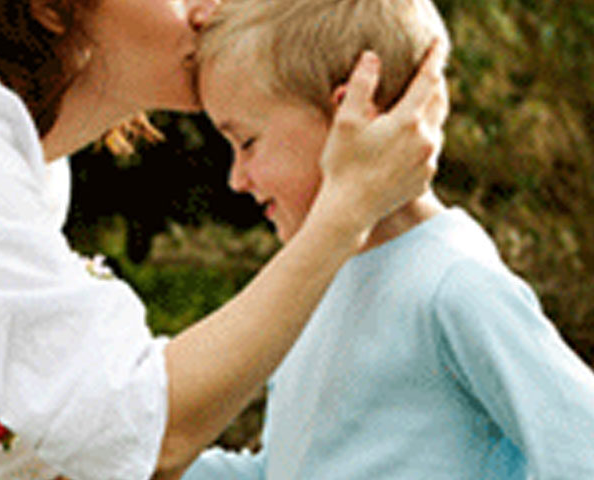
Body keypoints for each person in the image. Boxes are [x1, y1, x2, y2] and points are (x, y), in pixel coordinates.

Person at [0, 0, 450, 478]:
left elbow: (22, 464)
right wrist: (345, 212)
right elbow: (134, 430)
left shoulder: (20, 167)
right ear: (51, 7)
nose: (211, 9)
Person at [178, 0, 594, 478]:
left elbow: (580, 447)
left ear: (350, 113)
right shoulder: (312, 289)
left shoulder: (453, 283)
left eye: (247, 142)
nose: (236, 179)